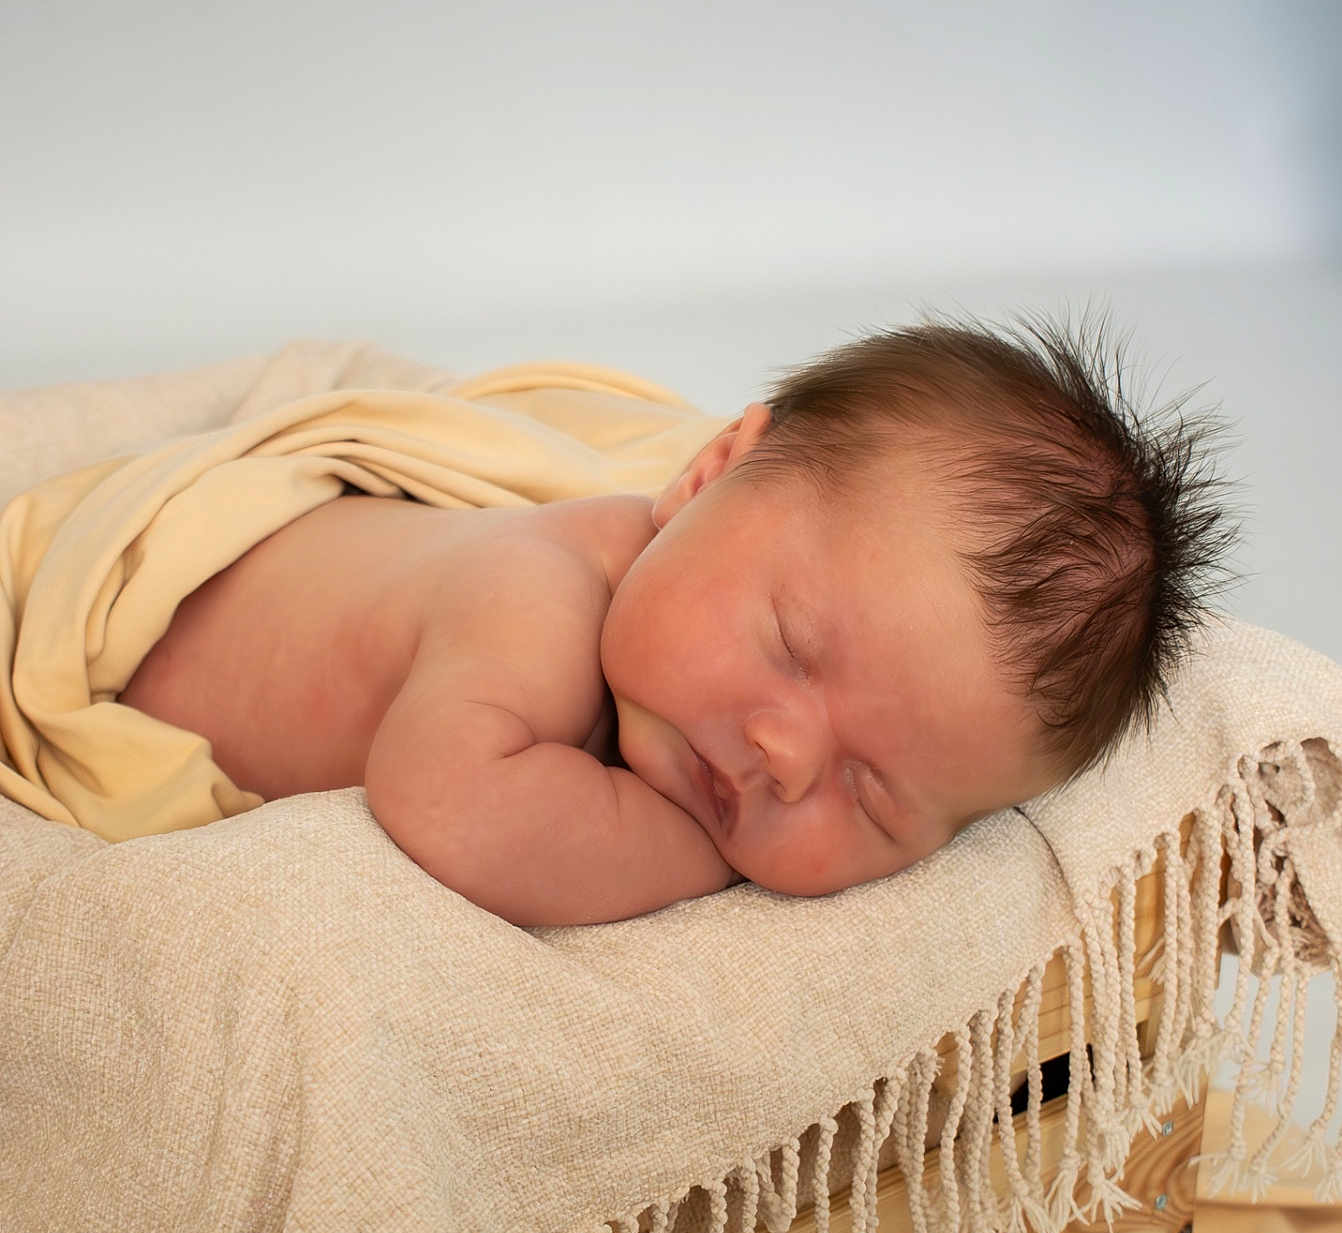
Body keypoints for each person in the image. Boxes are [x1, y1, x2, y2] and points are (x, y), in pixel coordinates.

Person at [119, 310, 1243, 926]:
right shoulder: (536, 596)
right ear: (705, 479)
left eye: (873, 794)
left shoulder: (690, 635)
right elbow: (450, 808)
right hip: (146, 649)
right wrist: (706, 859)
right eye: (793, 649)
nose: (787, 759)